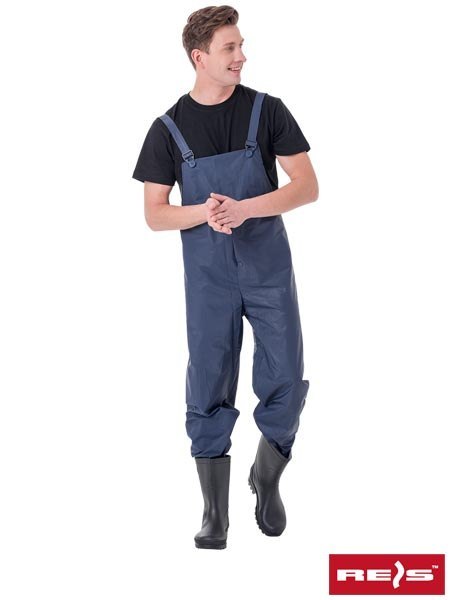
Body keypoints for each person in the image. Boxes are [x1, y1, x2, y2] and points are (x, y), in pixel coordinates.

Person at [132, 5, 319, 550]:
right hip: (208, 277)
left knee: (287, 375)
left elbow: (306, 186)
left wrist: (245, 208)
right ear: (200, 57)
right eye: (230, 48)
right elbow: (154, 214)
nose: (242, 57)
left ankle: (268, 472)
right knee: (209, 380)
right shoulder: (166, 129)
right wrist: (207, 212)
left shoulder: (268, 110)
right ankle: (215, 511)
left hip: (267, 269)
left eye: (241, 46)